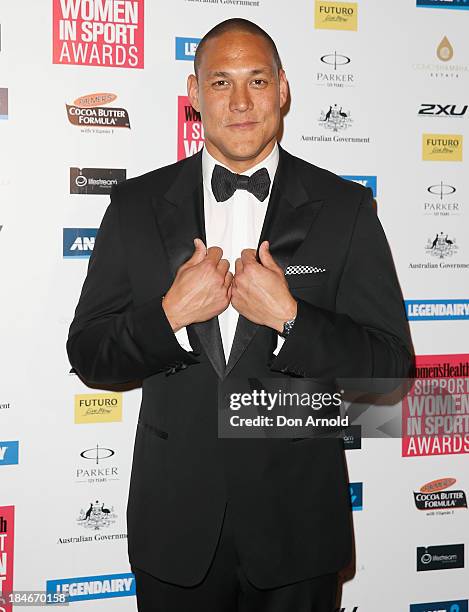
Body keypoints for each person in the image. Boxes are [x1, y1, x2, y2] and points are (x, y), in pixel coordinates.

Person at [67, 18, 413, 612]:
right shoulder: (134, 206)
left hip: (299, 529)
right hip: (175, 526)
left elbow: (390, 367)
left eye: (257, 80)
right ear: (195, 95)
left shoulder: (345, 208)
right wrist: (170, 314)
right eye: (221, 83)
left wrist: (293, 319)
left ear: (283, 88)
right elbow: (89, 353)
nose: (242, 101)